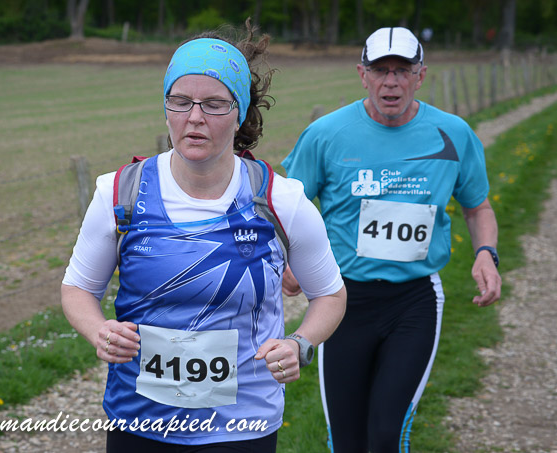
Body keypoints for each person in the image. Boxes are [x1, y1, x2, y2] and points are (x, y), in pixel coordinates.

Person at [61, 21, 346, 452]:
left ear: (240, 112)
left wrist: (299, 344)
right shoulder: (119, 193)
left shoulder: (281, 201)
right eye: (180, 102)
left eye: (214, 104)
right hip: (139, 421)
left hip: (242, 426)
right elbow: (78, 289)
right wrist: (98, 330)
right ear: (166, 108)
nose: (194, 118)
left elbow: (330, 295)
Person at [282, 26, 502, 452]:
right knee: (347, 440)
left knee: (386, 434)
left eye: (402, 71)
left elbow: (478, 207)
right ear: (361, 74)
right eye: (380, 70)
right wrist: (289, 257)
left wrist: (485, 253)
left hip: (414, 302)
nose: (391, 82)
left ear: (421, 76)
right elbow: (289, 209)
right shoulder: (326, 134)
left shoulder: (454, 133)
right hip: (342, 301)